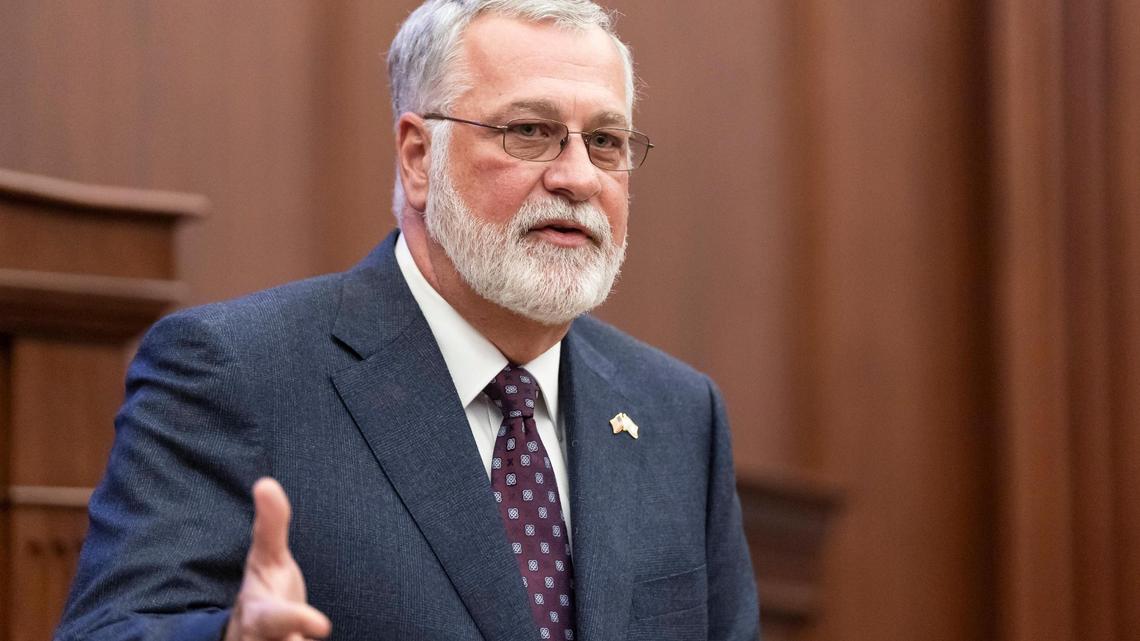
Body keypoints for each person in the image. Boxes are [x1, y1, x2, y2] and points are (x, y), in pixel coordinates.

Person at [55, 1, 760, 640]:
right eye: (531, 131)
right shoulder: (236, 371)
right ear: (419, 157)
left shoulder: (677, 411)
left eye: (605, 141)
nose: (578, 177)